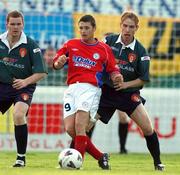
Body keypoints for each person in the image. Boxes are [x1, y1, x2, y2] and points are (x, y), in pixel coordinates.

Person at [88, 11, 165, 171]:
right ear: (120, 25)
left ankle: (158, 163)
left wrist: (125, 85)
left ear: (136, 28)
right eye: (125, 26)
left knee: (148, 128)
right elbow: (96, 60)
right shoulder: (108, 41)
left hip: (128, 95)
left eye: (131, 27)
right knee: (86, 126)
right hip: (107, 93)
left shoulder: (141, 51)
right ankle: (74, 157)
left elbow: (143, 79)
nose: (127, 29)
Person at [53, 14, 123, 170]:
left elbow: (113, 69)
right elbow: (56, 63)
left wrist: (117, 76)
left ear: (94, 28)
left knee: (80, 126)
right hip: (71, 89)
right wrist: (59, 62)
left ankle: (78, 164)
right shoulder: (70, 44)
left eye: (86, 28)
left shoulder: (104, 49)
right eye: (81, 28)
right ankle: (100, 156)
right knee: (70, 129)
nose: (83, 31)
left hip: (90, 89)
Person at [0, 10, 47, 167]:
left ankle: (21, 158)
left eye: (18, 24)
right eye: (12, 24)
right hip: (2, 86)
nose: (15, 27)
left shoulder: (31, 45)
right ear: (6, 24)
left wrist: (25, 82)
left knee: (19, 115)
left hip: (23, 87)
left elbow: (41, 72)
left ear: (23, 24)